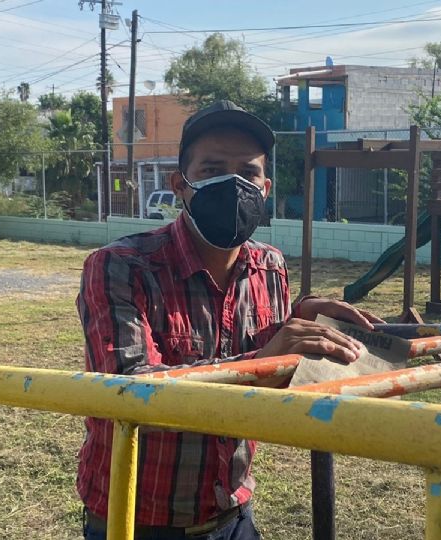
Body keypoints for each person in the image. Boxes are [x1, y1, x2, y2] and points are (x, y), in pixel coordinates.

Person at [76, 100, 383, 539]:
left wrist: (301, 326)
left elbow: (266, 370)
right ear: (180, 185)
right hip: (137, 519)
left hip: (233, 511)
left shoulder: (270, 266)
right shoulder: (120, 266)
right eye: (212, 168)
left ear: (266, 186)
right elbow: (127, 391)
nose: (234, 183)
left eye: (249, 171)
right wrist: (267, 358)